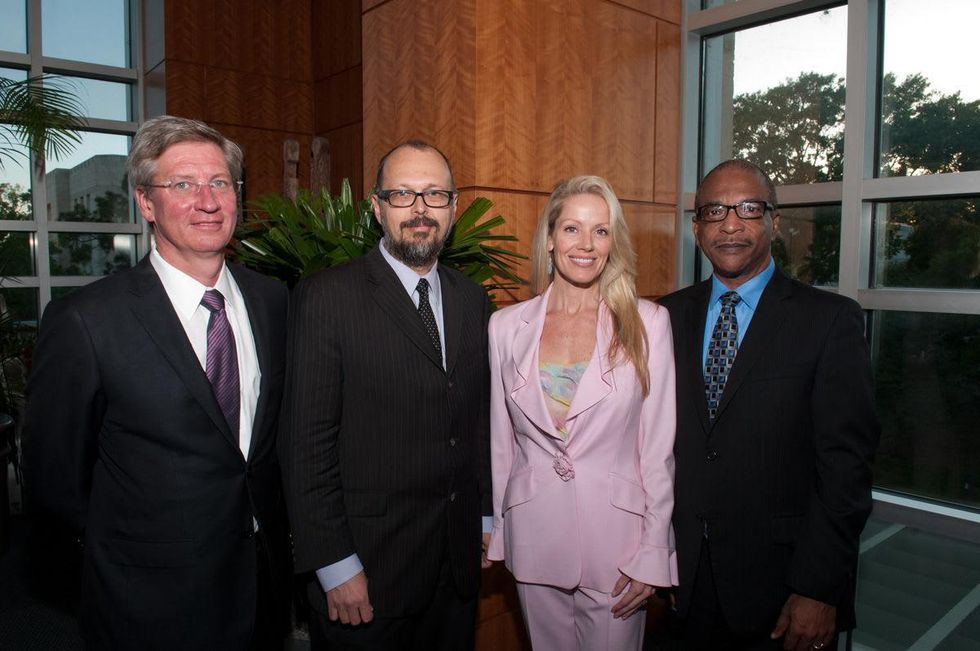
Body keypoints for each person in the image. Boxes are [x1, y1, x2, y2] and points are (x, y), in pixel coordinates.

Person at [22, 115, 291, 649]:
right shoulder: (86, 321)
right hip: (145, 603)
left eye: (219, 183)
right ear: (146, 203)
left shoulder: (274, 300)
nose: (207, 201)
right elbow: (54, 483)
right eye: (182, 185)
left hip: (260, 589)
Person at [657, 159, 879, 650]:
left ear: (774, 222)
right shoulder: (663, 317)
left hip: (782, 589)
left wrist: (818, 589)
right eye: (714, 211)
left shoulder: (829, 321)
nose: (730, 224)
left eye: (749, 208)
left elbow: (846, 470)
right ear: (697, 228)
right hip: (681, 580)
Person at [279, 140, 491, 650]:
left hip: (455, 571)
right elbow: (305, 446)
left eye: (434, 194)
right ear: (376, 208)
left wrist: (483, 515)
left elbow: (478, 422)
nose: (420, 209)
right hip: (367, 577)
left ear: (453, 208)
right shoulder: (327, 297)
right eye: (403, 194)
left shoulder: (473, 299)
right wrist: (334, 565)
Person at [485, 175, 677, 649]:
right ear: (549, 238)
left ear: (614, 242)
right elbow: (500, 441)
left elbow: (657, 452)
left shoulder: (648, 324)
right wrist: (501, 529)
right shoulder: (506, 327)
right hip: (534, 536)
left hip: (620, 547)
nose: (586, 245)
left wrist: (653, 554)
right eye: (572, 229)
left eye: (601, 231)